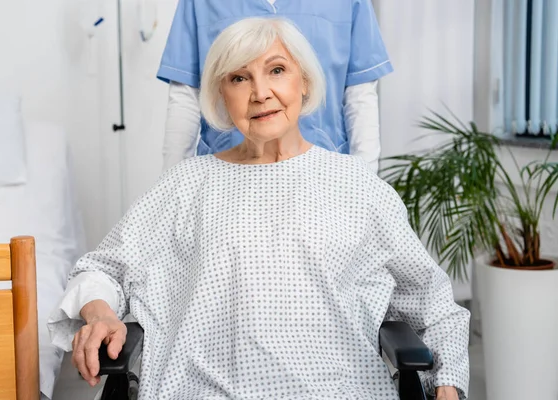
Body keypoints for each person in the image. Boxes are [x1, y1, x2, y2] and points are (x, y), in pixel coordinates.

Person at [48, 18, 469, 400]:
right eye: (239, 77)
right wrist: (100, 313)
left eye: (277, 70)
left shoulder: (359, 186)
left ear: (303, 81)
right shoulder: (185, 185)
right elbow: (99, 268)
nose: (260, 92)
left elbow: (433, 303)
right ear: (221, 95)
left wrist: (447, 383)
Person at [158, 0, 392, 174]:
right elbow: (185, 97)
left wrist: (366, 179)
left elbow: (360, 96)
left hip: (325, 165)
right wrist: (172, 186)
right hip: (227, 169)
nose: (261, 94)